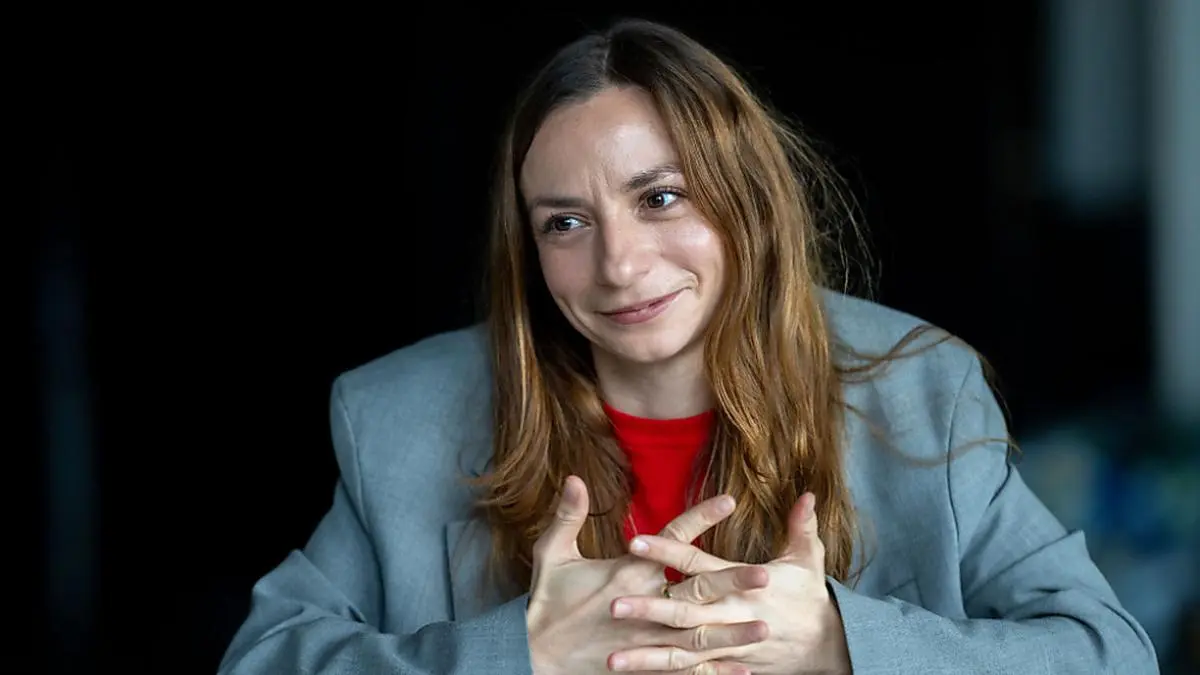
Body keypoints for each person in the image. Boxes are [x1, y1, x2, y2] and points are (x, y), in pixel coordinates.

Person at [217, 17, 1159, 675]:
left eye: (660, 197)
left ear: (745, 200)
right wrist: (524, 654)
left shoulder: (923, 390)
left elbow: (1109, 654)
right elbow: (260, 660)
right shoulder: (399, 416)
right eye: (565, 222)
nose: (620, 265)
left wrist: (839, 642)